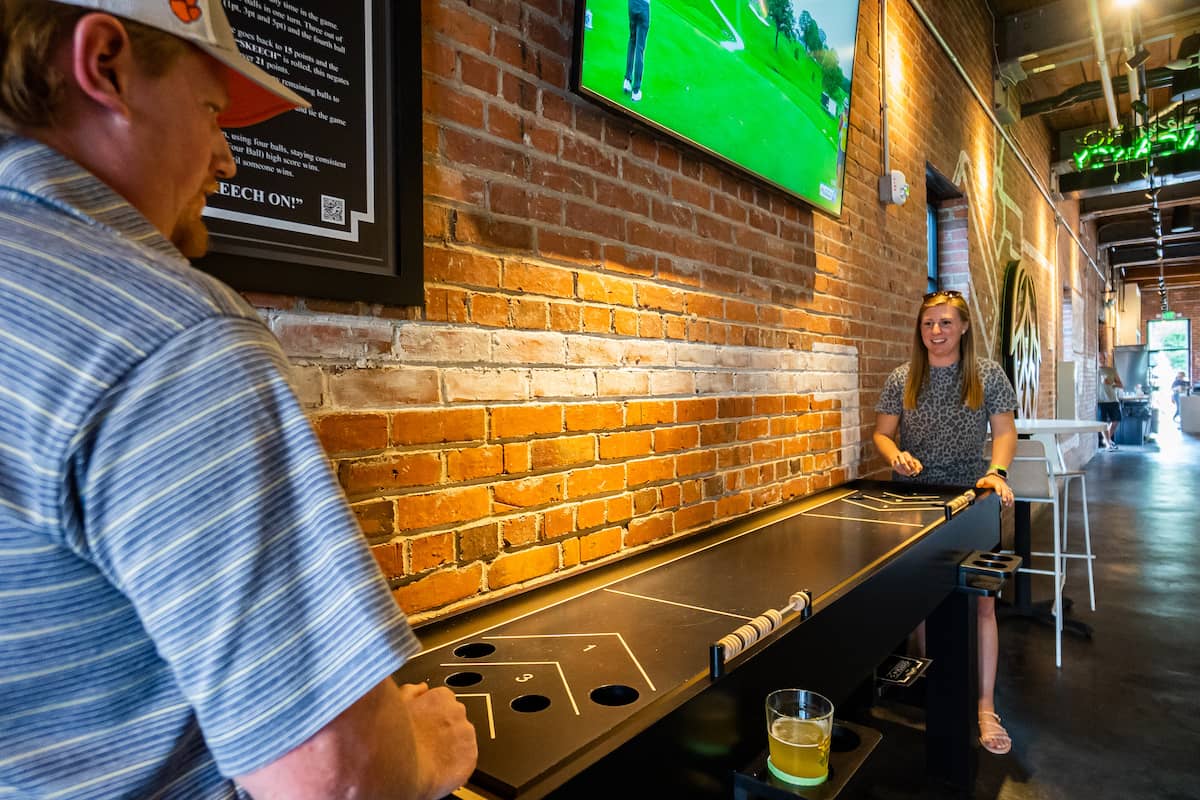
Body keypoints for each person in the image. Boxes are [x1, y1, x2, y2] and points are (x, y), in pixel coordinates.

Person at [0, 2, 476, 798]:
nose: (226, 158)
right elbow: (338, 782)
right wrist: (426, 751)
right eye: (211, 110)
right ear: (105, 64)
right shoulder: (171, 337)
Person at [872, 290, 1018, 756]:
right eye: (928, 324)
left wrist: (996, 474)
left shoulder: (986, 374)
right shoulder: (903, 377)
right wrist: (895, 455)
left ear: (963, 327)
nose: (936, 332)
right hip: (915, 502)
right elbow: (882, 432)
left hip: (973, 499)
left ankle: (984, 705)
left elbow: (1005, 431)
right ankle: (926, 677)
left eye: (945, 323)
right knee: (919, 600)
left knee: (982, 605)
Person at [623, 0, 650, 102]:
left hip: (632, 4)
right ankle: (636, 91)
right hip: (643, 6)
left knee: (632, 40)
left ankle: (627, 80)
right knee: (640, 48)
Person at [1097, 353, 1123, 450]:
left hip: (1113, 399)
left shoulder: (1111, 370)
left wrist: (1111, 383)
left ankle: (1106, 440)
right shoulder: (1094, 371)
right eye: (1098, 358)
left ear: (1105, 359)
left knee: (1116, 421)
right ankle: (1108, 443)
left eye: (1101, 358)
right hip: (1100, 401)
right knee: (1103, 423)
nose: (1100, 359)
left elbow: (1121, 385)